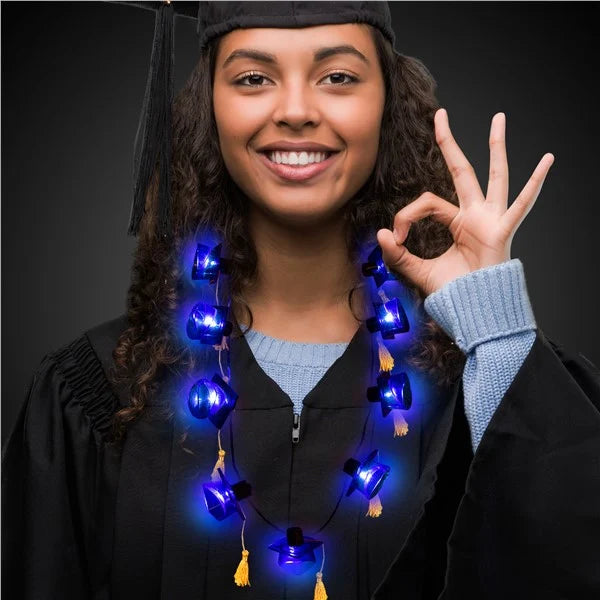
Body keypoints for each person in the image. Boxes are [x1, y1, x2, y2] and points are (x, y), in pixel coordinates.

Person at [2, 2, 599, 599]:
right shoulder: (104, 392)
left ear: (388, 104)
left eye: (338, 77)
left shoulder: (468, 382)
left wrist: (494, 331)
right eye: (253, 78)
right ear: (208, 108)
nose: (294, 111)